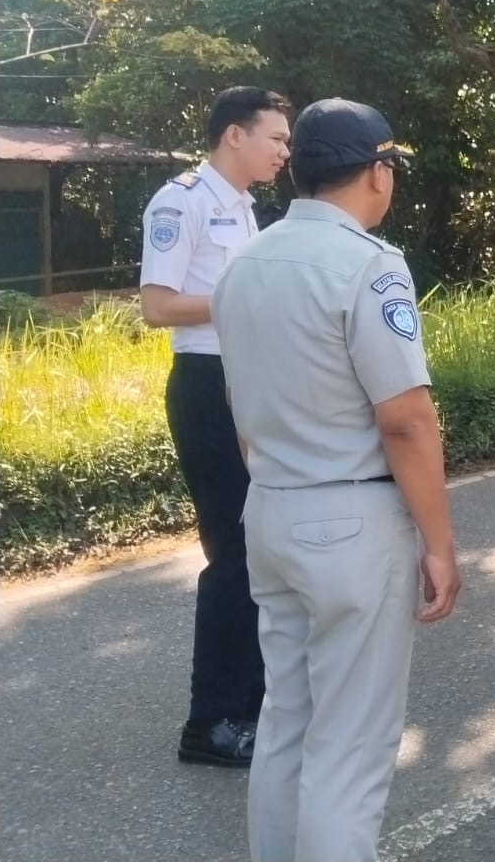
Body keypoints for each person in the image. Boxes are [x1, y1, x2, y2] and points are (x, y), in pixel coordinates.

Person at [210, 98, 462, 862]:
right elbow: (406, 421)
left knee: (288, 719)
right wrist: (440, 544)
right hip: (352, 524)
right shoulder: (369, 265)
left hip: (272, 511)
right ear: (377, 172)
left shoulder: (243, 265)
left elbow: (236, 402)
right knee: (350, 751)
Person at [139, 85, 292, 767]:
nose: (285, 151)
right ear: (235, 134)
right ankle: (211, 723)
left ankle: (251, 706)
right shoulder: (182, 202)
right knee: (233, 552)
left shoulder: (245, 209)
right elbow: (158, 306)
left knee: (260, 547)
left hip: (248, 385)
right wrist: (246, 295)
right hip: (206, 390)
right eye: (276, 138)